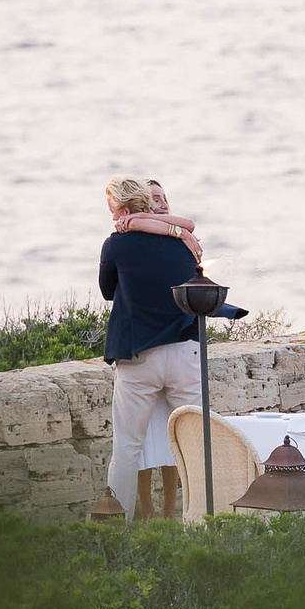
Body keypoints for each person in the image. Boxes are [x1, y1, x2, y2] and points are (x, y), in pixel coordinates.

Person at [97, 175, 243, 515]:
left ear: (122, 207)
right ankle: (207, 520)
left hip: (139, 358)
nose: (111, 216)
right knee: (197, 443)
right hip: (184, 352)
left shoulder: (116, 244)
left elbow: (107, 291)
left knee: (128, 448)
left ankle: (120, 524)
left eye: (112, 208)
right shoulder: (182, 241)